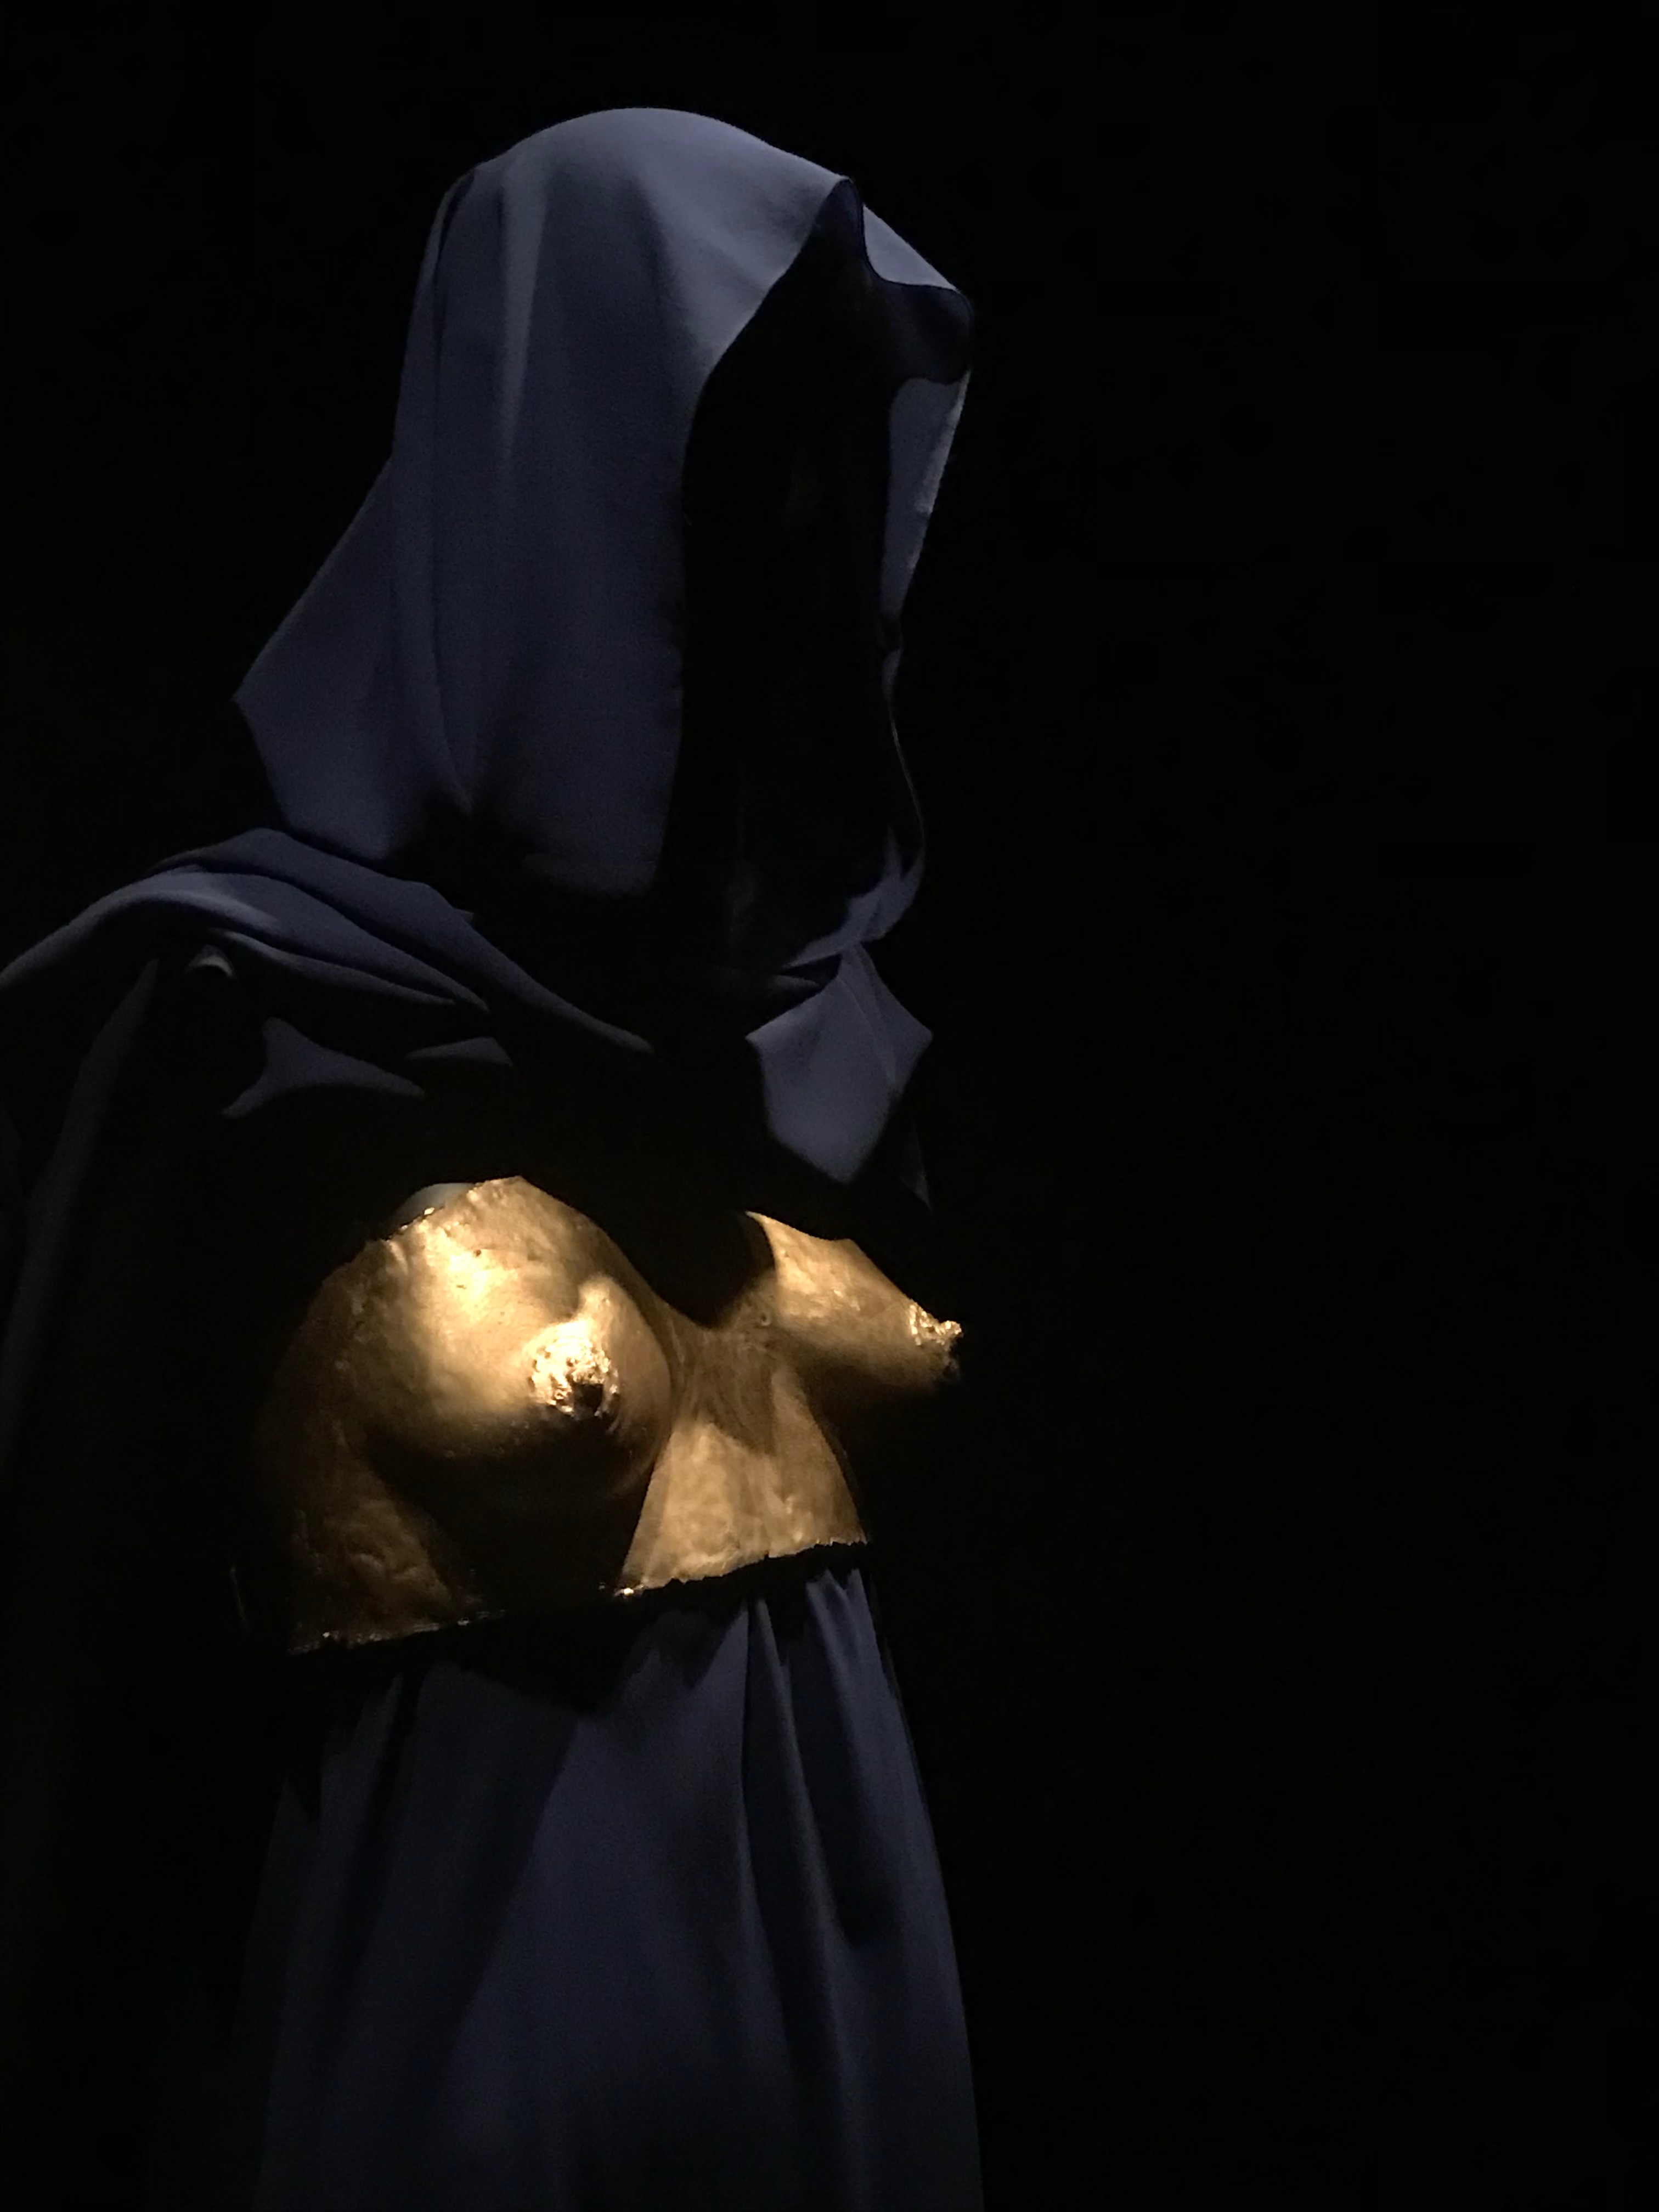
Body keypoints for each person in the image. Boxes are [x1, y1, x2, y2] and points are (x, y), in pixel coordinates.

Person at [0, 106, 979, 2209]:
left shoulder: (811, 1038)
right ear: (564, 472)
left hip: (847, 2013)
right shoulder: (250, 1020)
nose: (796, 540)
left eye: (829, 472)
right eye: (732, 460)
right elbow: (66, 1701)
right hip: (458, 2026)